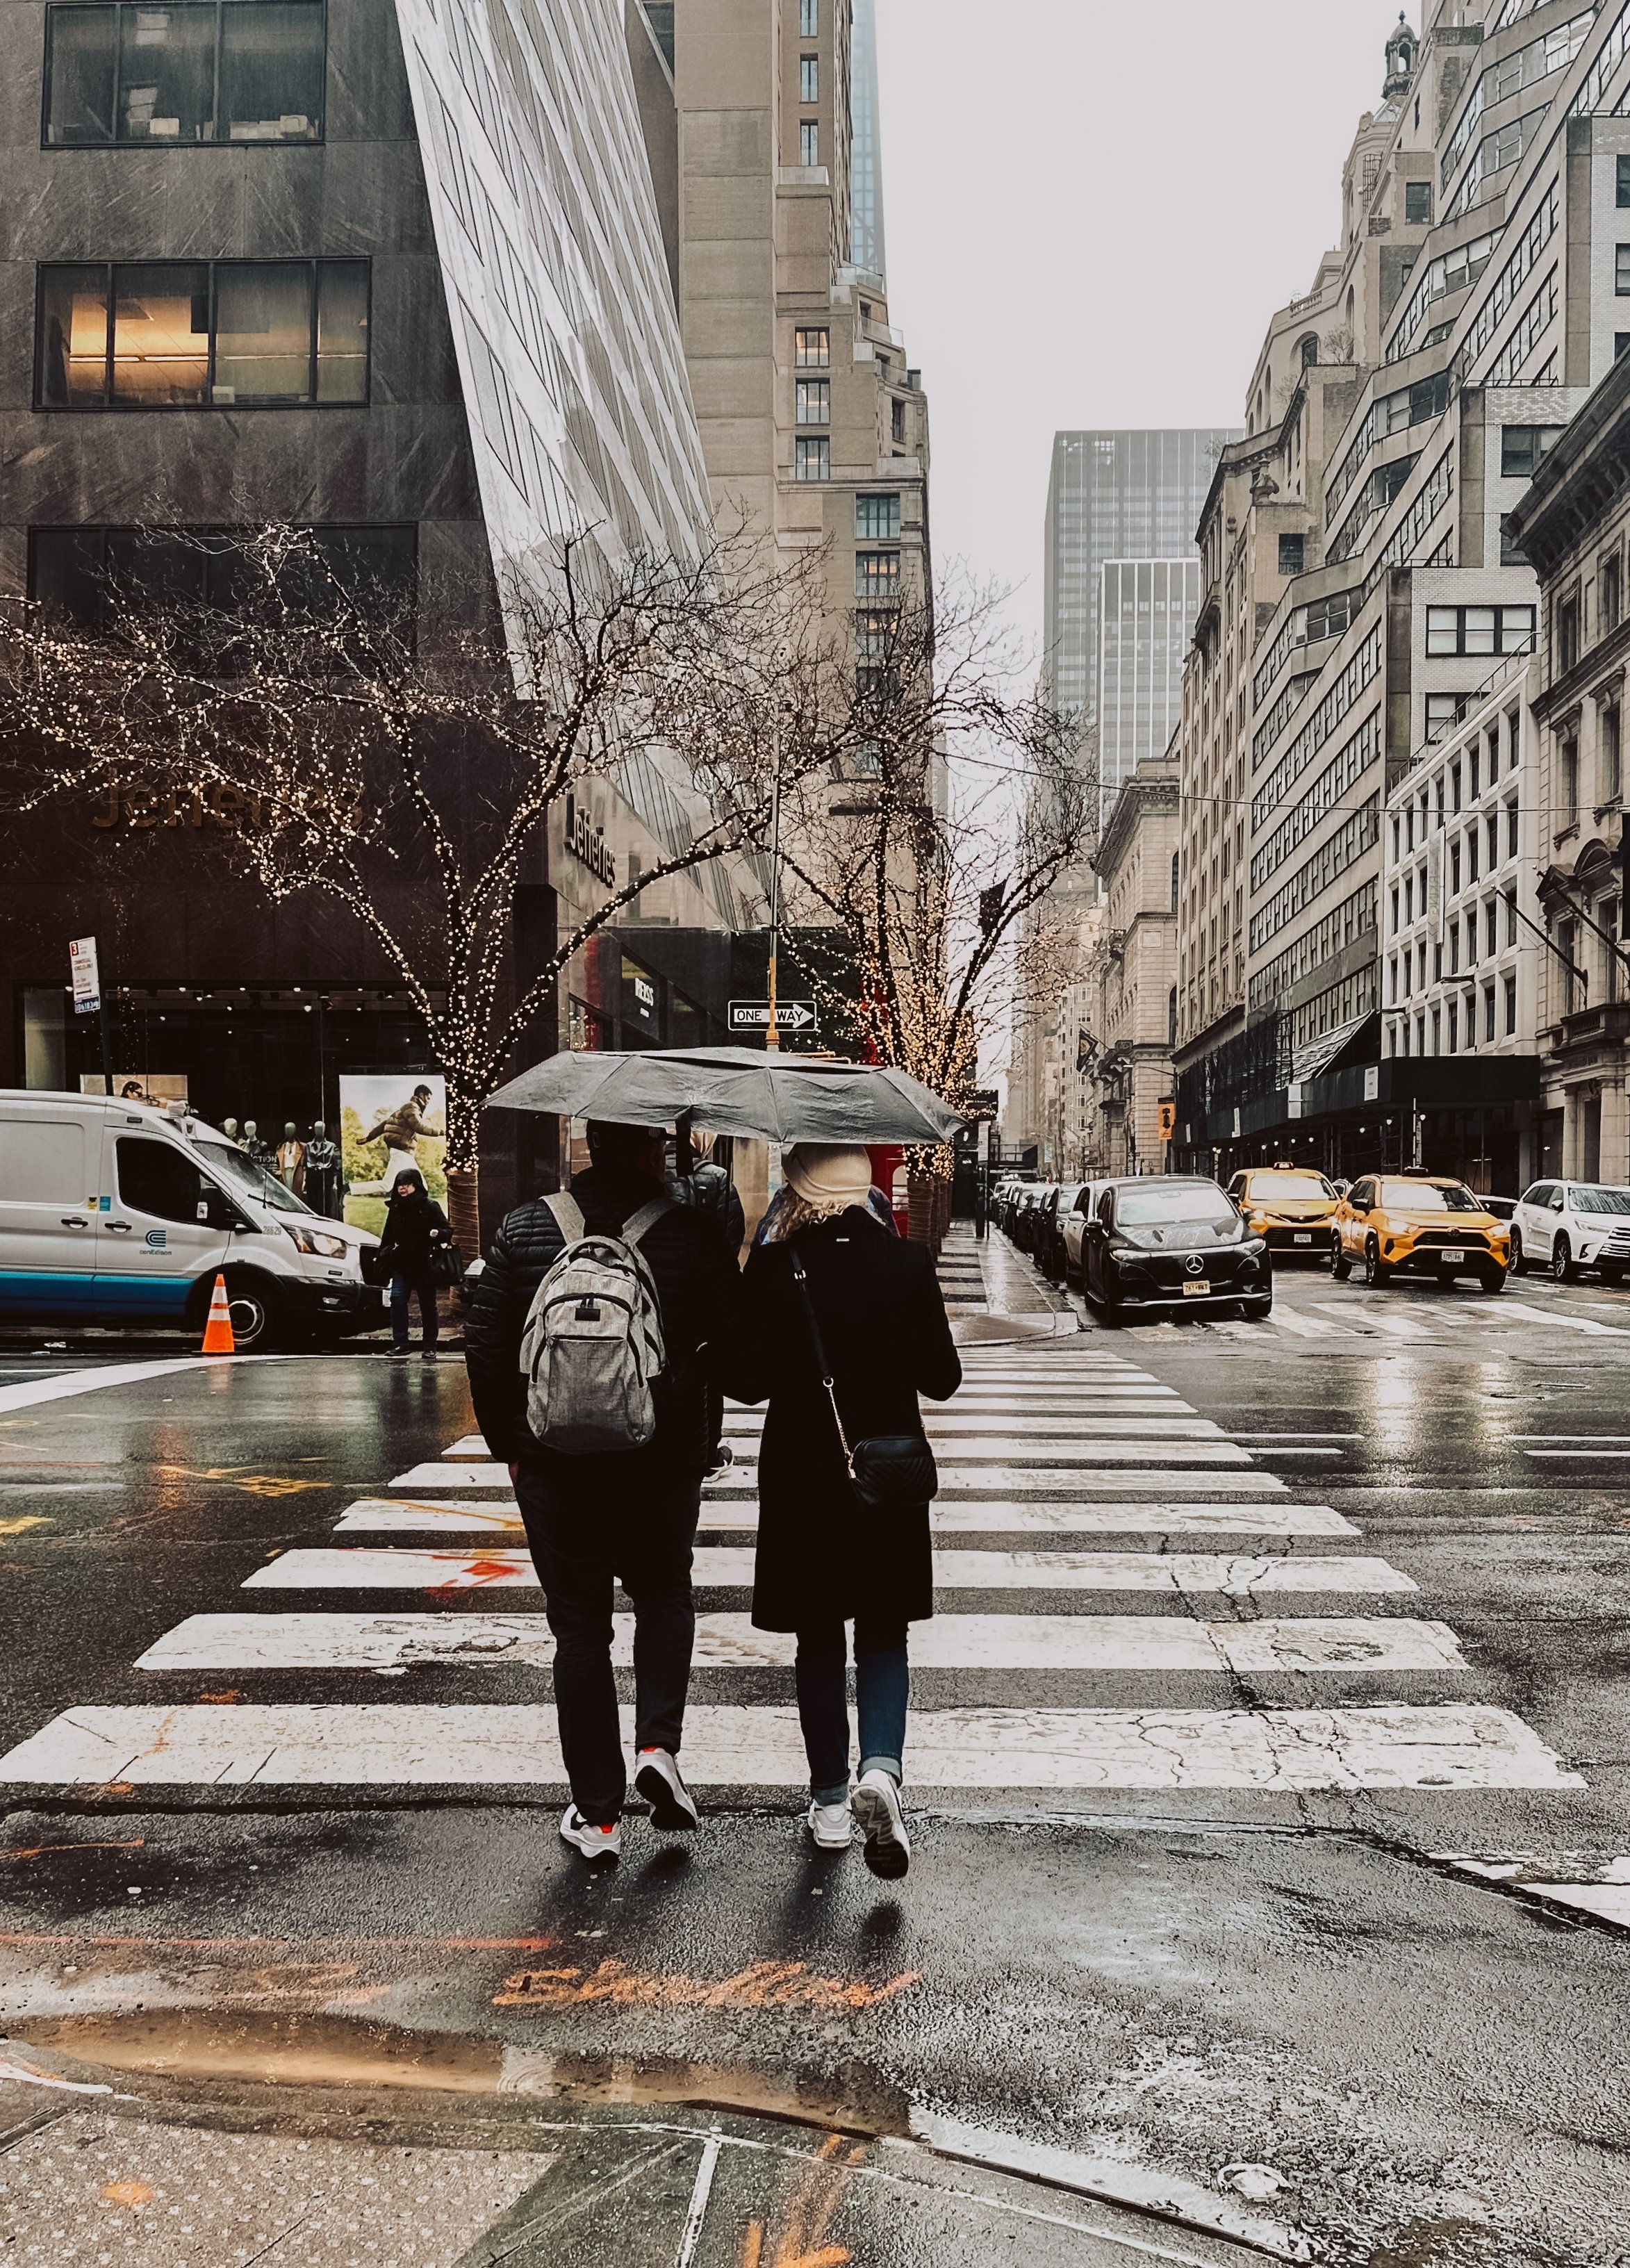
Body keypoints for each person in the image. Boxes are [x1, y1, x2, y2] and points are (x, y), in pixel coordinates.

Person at [464, 1121, 744, 1866]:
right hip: (661, 1463)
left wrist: (512, 1450)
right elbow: (744, 1363)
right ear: (655, 1149)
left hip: (553, 1464)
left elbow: (486, 1345)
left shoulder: (527, 1227)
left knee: (580, 1628)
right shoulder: (689, 1232)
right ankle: (658, 1743)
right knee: (663, 1593)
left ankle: (598, 1816)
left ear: (589, 1144)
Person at [725, 1142, 960, 1880]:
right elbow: (943, 1379)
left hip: (803, 1481)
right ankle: (881, 1772)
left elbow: (750, 1382)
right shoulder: (908, 1264)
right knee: (884, 1632)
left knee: (818, 1638)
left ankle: (830, 1804)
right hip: (886, 1476)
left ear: (798, 1189)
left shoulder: (774, 1267)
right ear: (865, 1191)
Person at [378, 1166, 450, 1360]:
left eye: (407, 1184)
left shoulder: (429, 1206)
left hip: (425, 1264)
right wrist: (384, 1254)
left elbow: (447, 1230)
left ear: (415, 1185)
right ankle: (401, 1344)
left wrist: (438, 1234)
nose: (402, 1188)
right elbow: (388, 1234)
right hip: (401, 1264)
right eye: (399, 1184)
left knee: (428, 1305)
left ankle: (430, 1346)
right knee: (397, 1301)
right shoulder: (395, 1207)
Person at [363, 1084, 434, 1183]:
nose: (428, 1101)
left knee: (391, 1185)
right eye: (428, 1098)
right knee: (389, 1185)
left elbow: (384, 1124)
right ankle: (348, 1188)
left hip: (402, 1151)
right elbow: (419, 1127)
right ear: (421, 1095)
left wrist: (369, 1137)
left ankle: (349, 1188)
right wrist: (442, 1132)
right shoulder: (412, 1107)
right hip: (402, 1150)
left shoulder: (406, 1109)